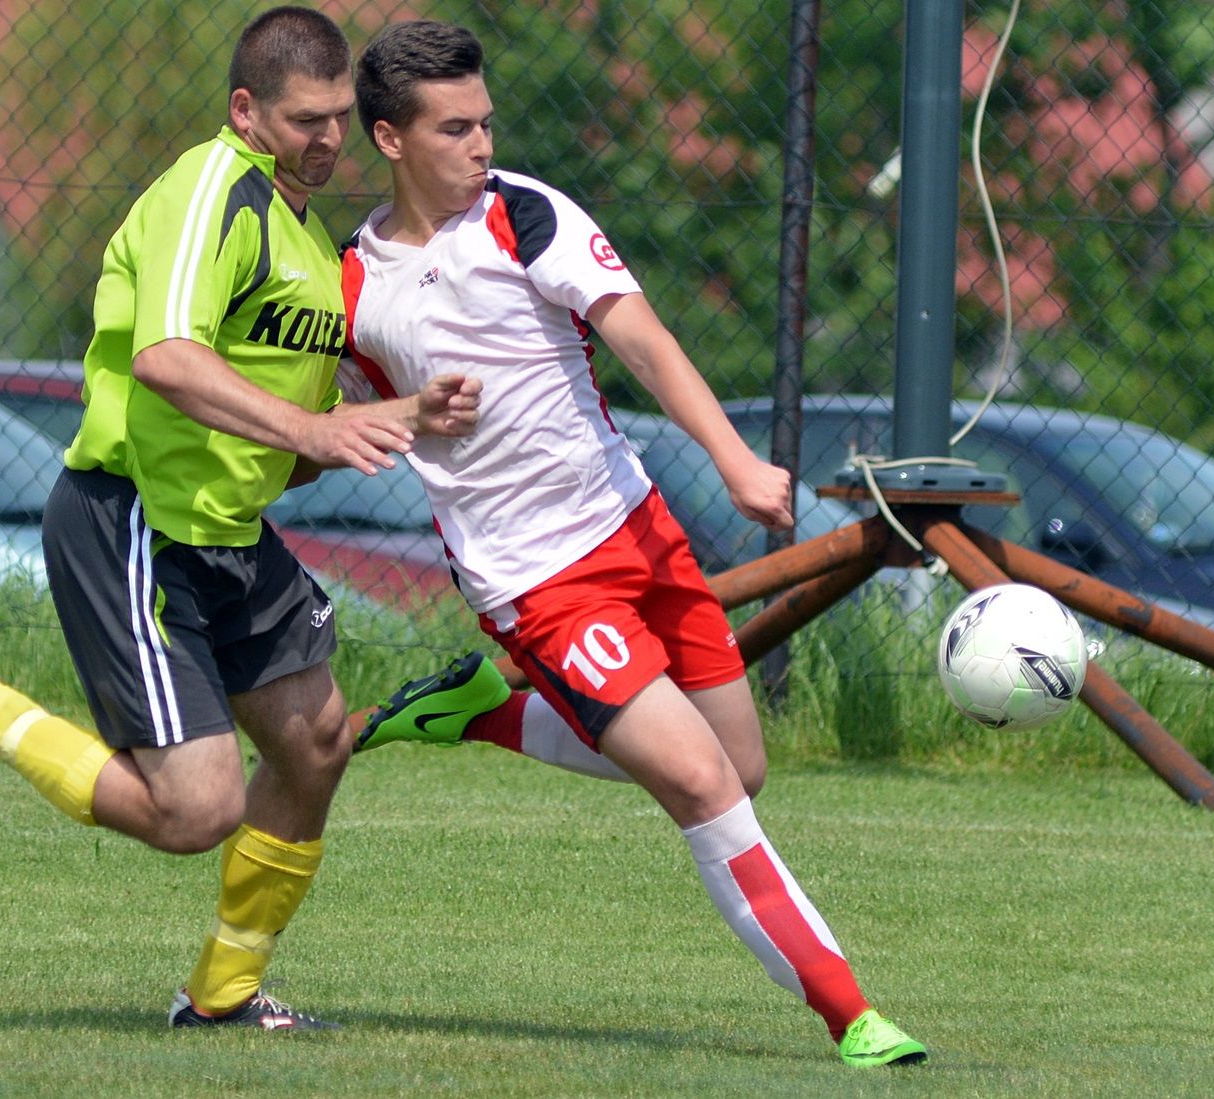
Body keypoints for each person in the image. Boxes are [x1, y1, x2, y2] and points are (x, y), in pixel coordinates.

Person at [0, 6, 481, 1031]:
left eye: (339, 115)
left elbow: (285, 446)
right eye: (305, 118)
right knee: (194, 810)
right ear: (245, 110)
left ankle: (222, 994)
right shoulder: (213, 189)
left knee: (316, 745)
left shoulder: (305, 238)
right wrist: (315, 427)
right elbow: (164, 357)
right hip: (136, 518)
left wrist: (395, 418)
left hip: (229, 533)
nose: (329, 137)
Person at [339, 20, 926, 1068]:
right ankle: (853, 1016)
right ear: (389, 138)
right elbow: (333, 427)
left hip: (636, 526)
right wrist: (396, 417)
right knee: (700, 784)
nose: (481, 144)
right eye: (453, 128)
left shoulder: (524, 212)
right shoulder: (348, 283)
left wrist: (734, 463)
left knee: (739, 767)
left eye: (486, 121)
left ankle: (481, 714)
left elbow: (643, 340)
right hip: (534, 580)